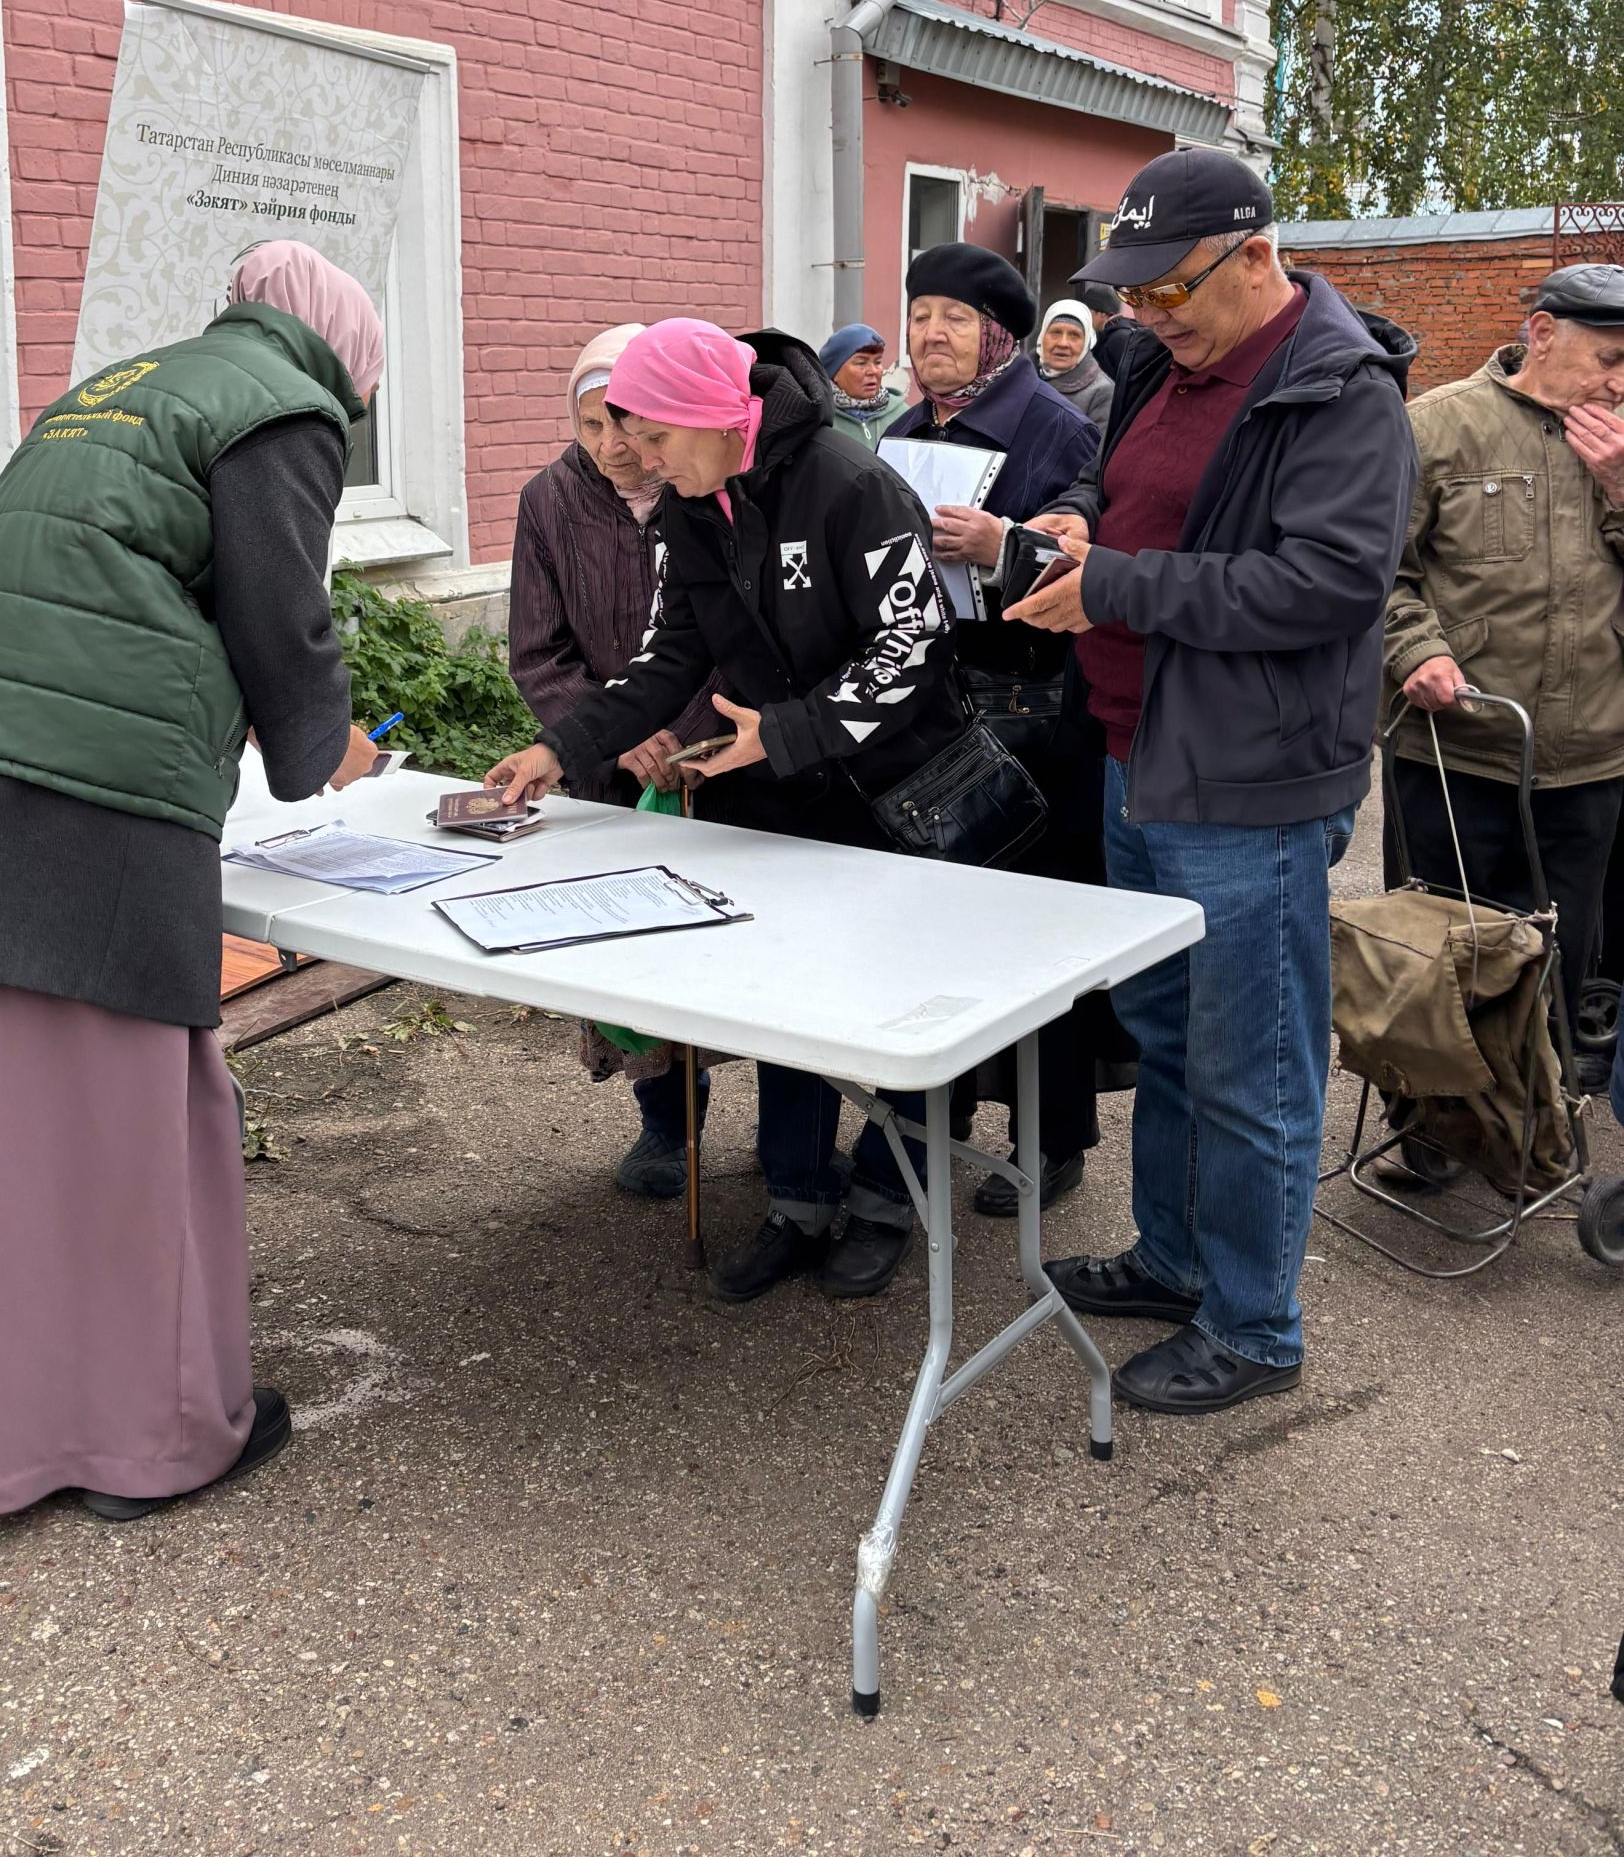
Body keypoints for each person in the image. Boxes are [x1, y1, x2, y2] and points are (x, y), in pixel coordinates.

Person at [0, 239, 385, 1521]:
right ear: (345, 358)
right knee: (126, 1116)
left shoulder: (126, 384)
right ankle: (144, 1438)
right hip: (106, 781)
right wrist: (331, 750)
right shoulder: (285, 406)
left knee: (19, 1109)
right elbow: (282, 615)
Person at [1005, 147, 1416, 1416]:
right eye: (1131, 296)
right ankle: (1175, 1258)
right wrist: (1081, 520)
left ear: (1255, 257)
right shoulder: (1153, 363)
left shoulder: (1342, 392)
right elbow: (1118, 489)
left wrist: (1120, 582)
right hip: (1139, 750)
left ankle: (1254, 1324)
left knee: (1257, 1068)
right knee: (1172, 1043)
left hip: (1252, 785)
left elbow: (1330, 586)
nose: (1145, 317)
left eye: (1168, 291)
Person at [484, 316, 974, 1306]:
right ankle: (796, 1197)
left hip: (896, 795)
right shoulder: (687, 511)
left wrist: (786, 729)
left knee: (905, 1009)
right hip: (776, 795)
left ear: (715, 416)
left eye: (655, 438)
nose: (642, 461)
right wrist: (562, 745)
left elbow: (913, 648)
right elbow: (667, 659)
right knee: (788, 999)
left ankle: (887, 1200)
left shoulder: (853, 484)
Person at [884, 243, 1105, 1213]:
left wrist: (1002, 544)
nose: (931, 332)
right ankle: (946, 1111)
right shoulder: (897, 429)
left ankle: (1053, 1140)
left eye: (953, 316)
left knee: (1035, 929)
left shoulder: (1053, 428)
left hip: (1033, 714)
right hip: (931, 709)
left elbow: (1087, 553)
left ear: (996, 333)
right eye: (920, 312)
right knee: (937, 925)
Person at [1382, 264, 1624, 1103]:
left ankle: (1534, 1124)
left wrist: (1623, 487)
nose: (1619, 380)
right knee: (1441, 958)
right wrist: (1415, 650)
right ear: (1543, 334)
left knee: (1559, 951)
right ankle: (1433, 1127)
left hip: (1592, 756)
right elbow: (1378, 572)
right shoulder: (1436, 427)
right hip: (1458, 751)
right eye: (1609, 356)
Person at [509, 326, 721, 1196]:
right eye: (588, 425)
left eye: (624, 425)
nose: (611, 448)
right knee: (627, 951)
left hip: (713, 761)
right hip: (601, 765)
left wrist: (694, 731)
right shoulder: (548, 501)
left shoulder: (702, 489)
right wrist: (610, 735)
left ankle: (787, 1129)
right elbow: (539, 652)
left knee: (719, 943)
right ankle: (666, 1126)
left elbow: (723, 640)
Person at [819, 321, 911, 448]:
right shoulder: (819, 418)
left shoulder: (904, 416)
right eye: (861, 363)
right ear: (835, 373)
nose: (873, 371)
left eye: (878, 362)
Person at [1034, 297, 1114, 435]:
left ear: (1086, 344)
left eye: (1074, 335)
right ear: (1042, 337)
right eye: (1056, 332)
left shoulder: (1102, 391)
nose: (1063, 343)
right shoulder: (1021, 377)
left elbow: (1094, 452)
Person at [1081, 281, 1149, 383]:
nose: (1085, 318)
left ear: (1102, 314)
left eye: (1088, 312)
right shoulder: (1118, 333)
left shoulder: (1118, 339)